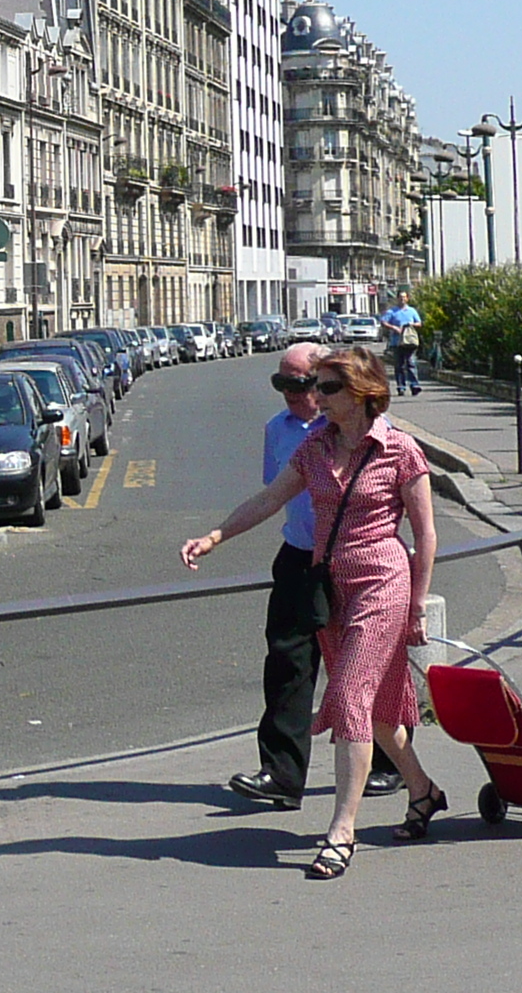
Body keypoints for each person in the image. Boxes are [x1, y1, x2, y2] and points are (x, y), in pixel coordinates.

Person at [182, 347, 446, 879]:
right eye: (315, 387)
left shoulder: (400, 451)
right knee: (377, 713)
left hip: (383, 584)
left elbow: (426, 535)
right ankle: (423, 792)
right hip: (330, 587)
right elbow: (268, 499)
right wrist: (215, 536)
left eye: (326, 389)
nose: (313, 397)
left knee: (348, 696)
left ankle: (340, 832)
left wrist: (417, 604)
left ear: (360, 393)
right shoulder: (314, 448)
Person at [227, 344, 398, 808]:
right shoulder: (277, 430)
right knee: (287, 664)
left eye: (303, 383)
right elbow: (271, 495)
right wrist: (214, 536)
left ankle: (390, 765)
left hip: (355, 562)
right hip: (301, 556)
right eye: (282, 384)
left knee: (360, 669)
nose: (293, 394)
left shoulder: (353, 429)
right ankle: (282, 775)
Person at [380, 298, 425, 395]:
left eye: (404, 297)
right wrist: (394, 327)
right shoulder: (392, 311)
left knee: (411, 363)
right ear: (397, 299)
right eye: (400, 298)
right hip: (397, 342)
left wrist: (411, 324)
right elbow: (383, 322)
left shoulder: (412, 311)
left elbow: (419, 323)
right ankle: (401, 386)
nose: (402, 300)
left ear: (407, 299)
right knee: (399, 365)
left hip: (409, 341)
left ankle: (414, 385)